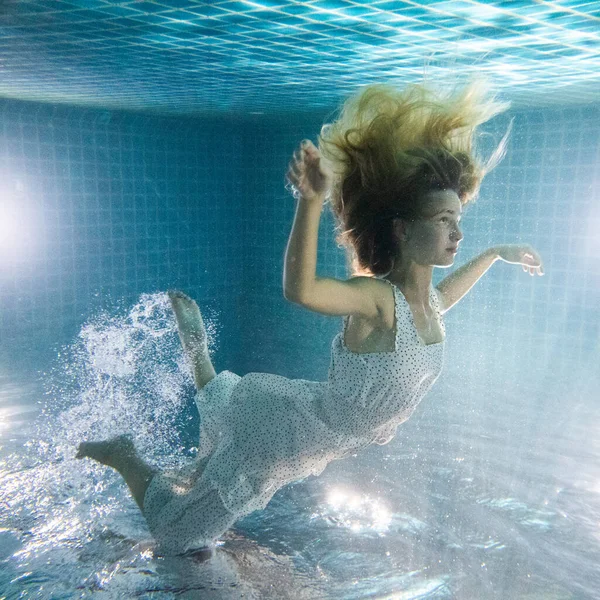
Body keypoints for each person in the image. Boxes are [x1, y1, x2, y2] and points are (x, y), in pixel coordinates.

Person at [76, 77, 544, 556]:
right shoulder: (377, 300)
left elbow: (445, 294)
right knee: (177, 534)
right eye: (445, 220)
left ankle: (194, 342)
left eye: (458, 219)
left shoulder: (425, 310)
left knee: (214, 442)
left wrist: (494, 254)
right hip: (286, 436)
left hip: (315, 437)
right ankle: (124, 455)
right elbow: (301, 290)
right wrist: (312, 199)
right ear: (402, 230)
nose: (457, 232)